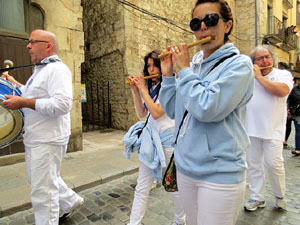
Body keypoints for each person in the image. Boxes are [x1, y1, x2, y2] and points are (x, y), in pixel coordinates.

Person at [159, 0, 254, 224]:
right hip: (186, 169)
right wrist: (167, 77)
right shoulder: (193, 66)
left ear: (227, 25)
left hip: (220, 174)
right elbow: (175, 111)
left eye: (210, 20)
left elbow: (206, 108)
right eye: (195, 23)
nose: (202, 28)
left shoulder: (239, 65)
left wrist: (183, 71)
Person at [1, 29, 83, 225]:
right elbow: (33, 94)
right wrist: (14, 84)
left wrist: (23, 103)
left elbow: (63, 104)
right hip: (37, 137)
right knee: (43, 180)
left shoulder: (57, 69)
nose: (28, 46)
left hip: (47, 139)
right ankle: (71, 201)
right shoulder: (41, 69)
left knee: (43, 193)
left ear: (48, 46)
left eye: (32, 42)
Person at [123, 50, 186, 225]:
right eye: (148, 66)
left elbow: (158, 113)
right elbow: (143, 113)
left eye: (154, 65)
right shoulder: (151, 87)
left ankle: (180, 220)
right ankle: (134, 222)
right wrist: (136, 91)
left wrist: (142, 88)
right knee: (142, 186)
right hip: (150, 141)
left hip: (167, 142)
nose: (151, 70)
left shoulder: (172, 85)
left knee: (173, 186)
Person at [244, 45, 294, 212]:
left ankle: (280, 196)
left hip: (274, 130)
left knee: (274, 164)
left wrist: (258, 77)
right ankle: (258, 198)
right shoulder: (248, 77)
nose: (265, 60)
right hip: (250, 129)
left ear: (272, 59)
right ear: (254, 62)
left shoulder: (283, 75)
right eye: (260, 58)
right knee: (254, 165)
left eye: (267, 57)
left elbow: (281, 91)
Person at [287, 83, 300, 156]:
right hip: (297, 113)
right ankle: (298, 149)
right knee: (298, 130)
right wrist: (288, 107)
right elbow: (290, 99)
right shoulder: (295, 89)